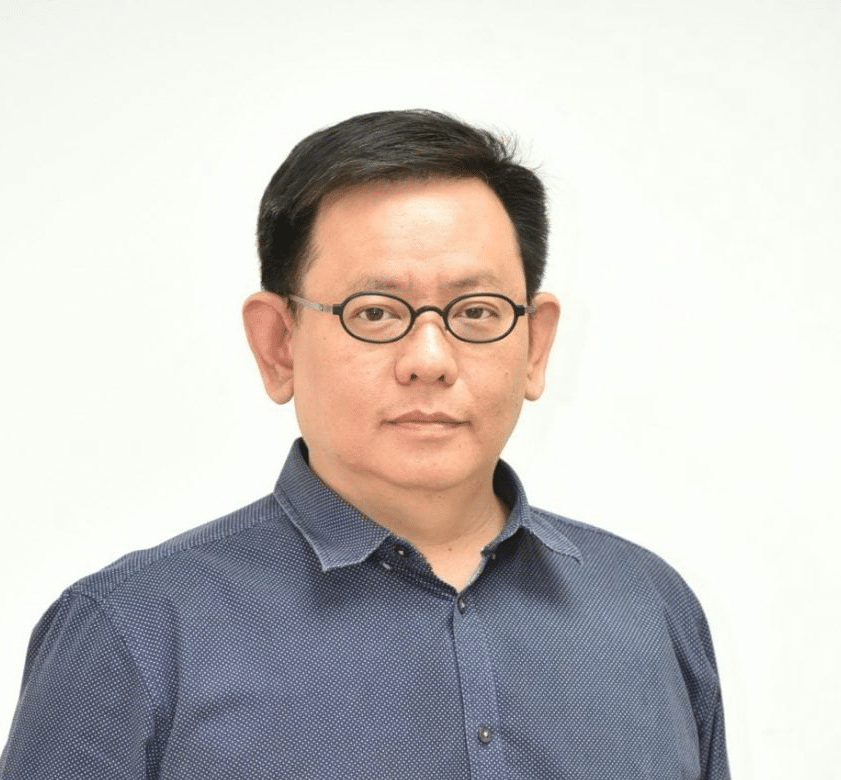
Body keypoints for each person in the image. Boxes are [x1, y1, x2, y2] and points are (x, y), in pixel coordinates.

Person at [0, 110, 730, 779]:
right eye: (375, 312)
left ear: (535, 346)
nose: (430, 358)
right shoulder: (134, 632)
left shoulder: (647, 606)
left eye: (475, 311)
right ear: (279, 344)